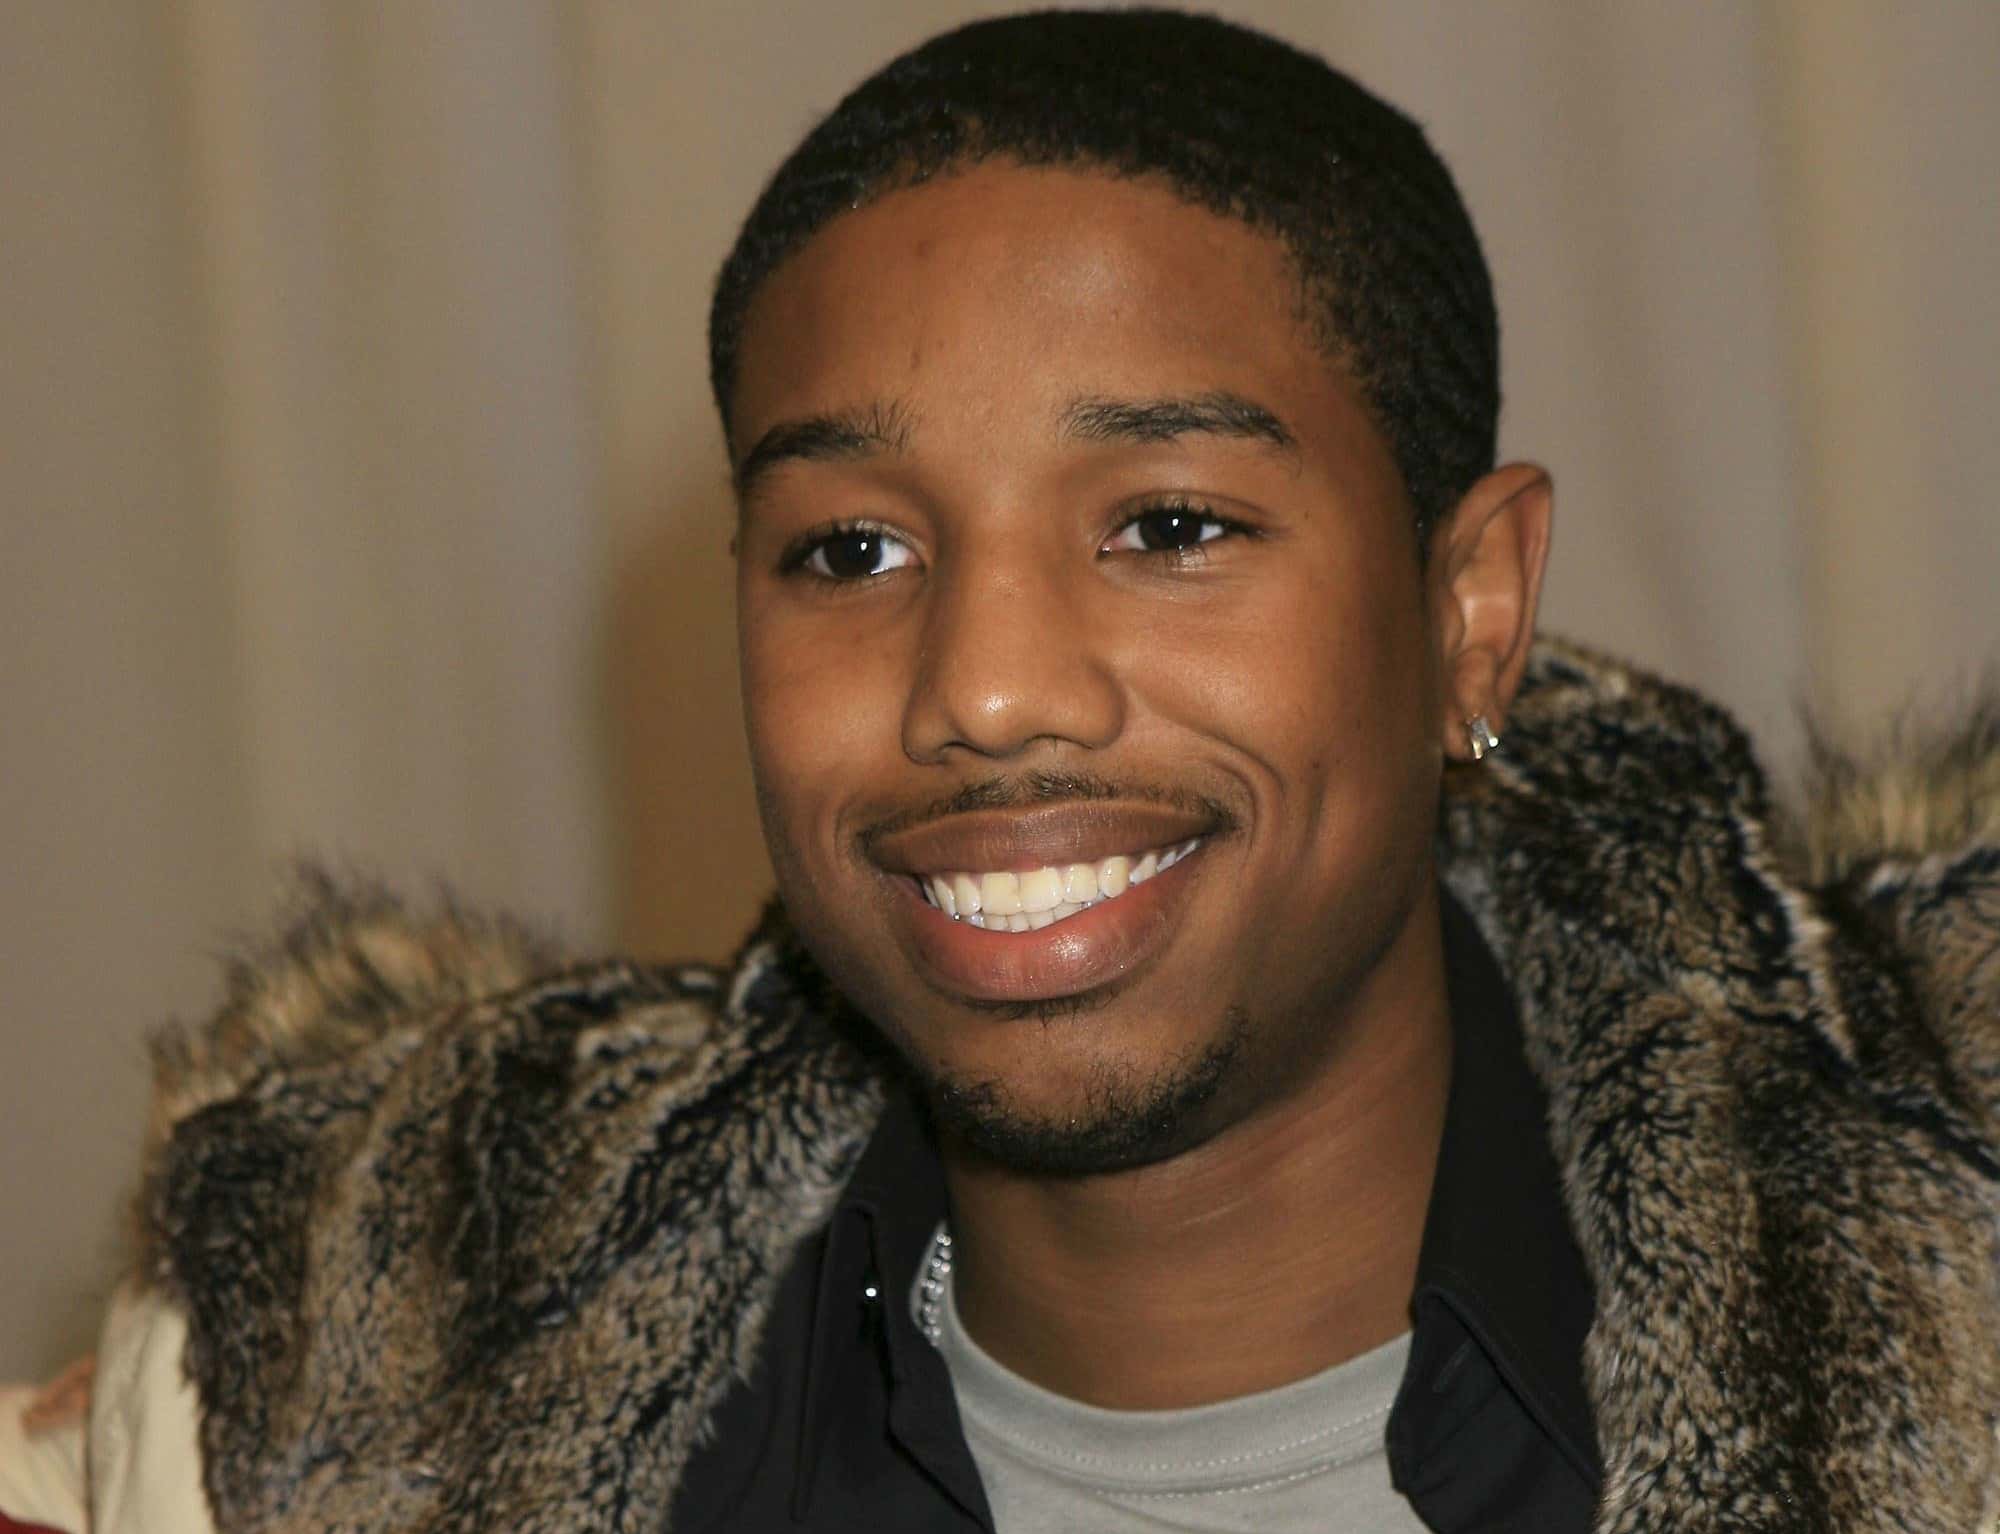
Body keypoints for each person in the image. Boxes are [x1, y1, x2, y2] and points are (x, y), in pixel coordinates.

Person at [4, 9, 1997, 1532]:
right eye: (848, 549)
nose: (986, 687)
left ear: (1467, 608)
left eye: (1169, 522)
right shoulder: (344, 1380)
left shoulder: (1943, 1307)